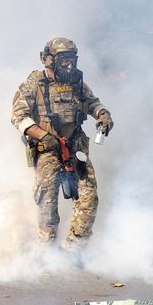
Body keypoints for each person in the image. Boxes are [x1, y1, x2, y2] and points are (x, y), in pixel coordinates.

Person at [11, 37, 114, 251]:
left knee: (88, 197)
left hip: (75, 147)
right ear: (49, 60)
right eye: (64, 60)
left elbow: (92, 103)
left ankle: (74, 250)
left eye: (71, 60)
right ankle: (46, 250)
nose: (69, 65)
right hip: (47, 147)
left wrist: (102, 115)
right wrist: (43, 135)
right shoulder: (34, 84)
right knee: (47, 199)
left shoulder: (76, 83)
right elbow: (18, 116)